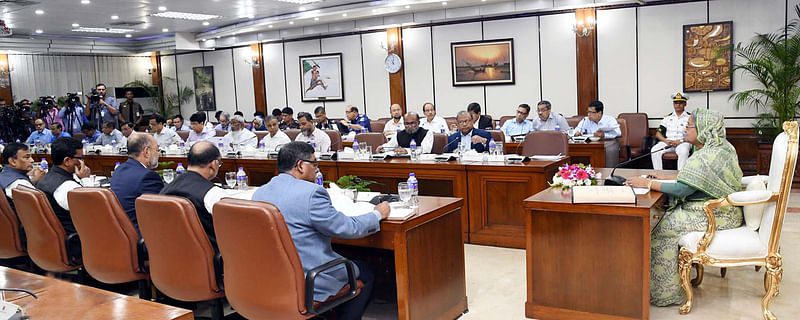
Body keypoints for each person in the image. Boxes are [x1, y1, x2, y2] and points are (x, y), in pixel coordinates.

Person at [252, 141, 390, 320]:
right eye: (315, 164)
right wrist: (377, 215)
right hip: (309, 278)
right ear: (301, 166)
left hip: (274, 278)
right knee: (367, 271)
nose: (317, 169)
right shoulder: (312, 193)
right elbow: (349, 229)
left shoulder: (260, 193)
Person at [625, 108, 742, 307]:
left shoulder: (707, 156)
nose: (685, 130)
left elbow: (681, 190)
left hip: (717, 214)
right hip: (723, 210)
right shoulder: (719, 147)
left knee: (659, 227)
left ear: (703, 129)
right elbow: (695, 179)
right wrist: (666, 176)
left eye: (689, 126)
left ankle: (665, 293)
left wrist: (646, 184)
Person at [160, 141, 229, 252]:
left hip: (171, 255)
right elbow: (229, 228)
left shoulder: (166, 189)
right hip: (211, 259)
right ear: (214, 164)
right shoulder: (212, 193)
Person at [36, 137, 91, 234]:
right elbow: (93, 208)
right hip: (77, 238)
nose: (83, 162)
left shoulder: (46, 177)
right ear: (67, 161)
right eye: (80, 158)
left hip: (53, 235)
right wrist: (86, 179)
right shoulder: (67, 187)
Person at [110, 133, 163, 232]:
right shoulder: (148, 177)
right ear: (147, 151)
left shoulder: (119, 170)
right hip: (140, 237)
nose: (158, 154)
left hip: (118, 233)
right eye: (157, 150)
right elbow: (160, 213)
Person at [651, 93, 693, 170]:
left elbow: (693, 134)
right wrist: (666, 141)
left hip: (683, 142)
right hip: (668, 142)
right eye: (676, 102)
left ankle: (680, 176)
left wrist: (680, 141)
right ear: (673, 104)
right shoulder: (667, 118)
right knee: (654, 150)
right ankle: (658, 174)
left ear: (685, 104)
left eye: (680, 102)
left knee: (683, 151)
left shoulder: (690, 117)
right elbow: (658, 133)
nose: (678, 105)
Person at [574, 100, 621, 166]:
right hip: (589, 146)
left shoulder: (610, 120)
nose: (588, 114)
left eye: (591, 112)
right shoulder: (585, 120)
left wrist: (604, 135)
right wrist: (577, 133)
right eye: (588, 112)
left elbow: (618, 133)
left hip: (607, 146)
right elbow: (577, 130)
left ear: (599, 113)